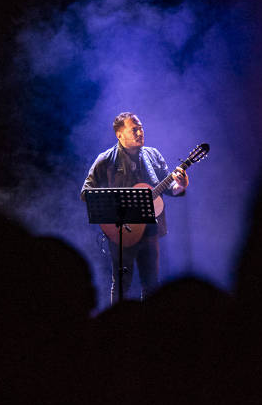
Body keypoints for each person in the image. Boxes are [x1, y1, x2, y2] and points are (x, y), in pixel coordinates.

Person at [81, 112, 189, 302]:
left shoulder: (153, 155)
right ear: (119, 134)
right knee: (122, 283)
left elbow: (171, 188)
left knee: (151, 283)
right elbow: (86, 193)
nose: (140, 132)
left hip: (150, 230)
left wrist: (180, 185)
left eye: (141, 128)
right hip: (121, 231)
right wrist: (117, 205)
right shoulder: (106, 160)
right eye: (134, 129)